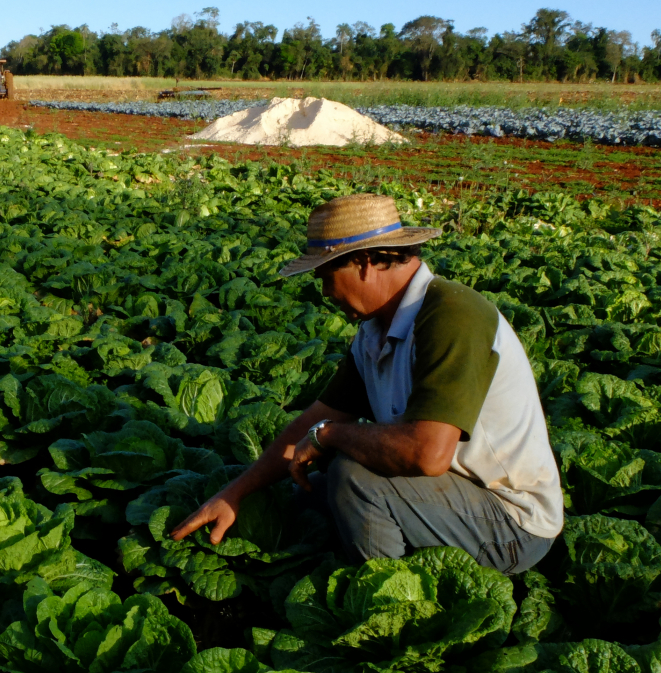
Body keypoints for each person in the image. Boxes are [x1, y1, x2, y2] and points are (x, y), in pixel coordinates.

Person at [170, 193, 563, 574]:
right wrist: (235, 493)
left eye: (326, 276)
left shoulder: (452, 316)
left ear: (363, 263)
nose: (324, 293)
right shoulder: (376, 329)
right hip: (445, 499)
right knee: (305, 494)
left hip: (511, 523)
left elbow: (427, 455)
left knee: (352, 479)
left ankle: (389, 611)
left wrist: (333, 437)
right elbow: (314, 419)